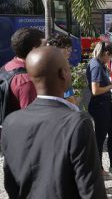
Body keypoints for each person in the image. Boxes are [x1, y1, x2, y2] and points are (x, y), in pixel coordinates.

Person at [2, 46, 106, 198]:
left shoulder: (11, 121)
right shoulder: (77, 123)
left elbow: (10, 183)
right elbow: (91, 189)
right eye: (68, 67)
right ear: (63, 74)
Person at [86, 41, 112, 180]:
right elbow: (95, 90)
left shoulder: (100, 64)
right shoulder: (96, 65)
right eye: (111, 57)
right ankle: (98, 168)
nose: (111, 60)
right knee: (100, 138)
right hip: (99, 105)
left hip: (106, 104)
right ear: (106, 53)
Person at [2, 27, 45, 112]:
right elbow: (31, 119)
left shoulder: (7, 67)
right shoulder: (27, 81)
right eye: (44, 46)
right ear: (34, 50)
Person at [47, 34, 77, 105]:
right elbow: (69, 97)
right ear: (55, 48)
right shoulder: (61, 68)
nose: (69, 50)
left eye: (70, 47)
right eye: (66, 47)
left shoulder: (45, 65)